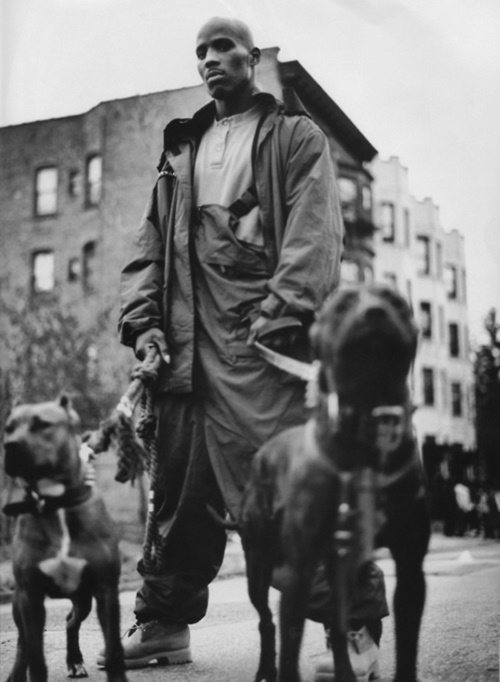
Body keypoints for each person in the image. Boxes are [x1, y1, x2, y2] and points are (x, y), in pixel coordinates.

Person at [106, 16, 388, 679]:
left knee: (290, 493)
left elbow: (315, 232)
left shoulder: (295, 136)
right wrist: (145, 327)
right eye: (200, 51)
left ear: (252, 57)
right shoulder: (179, 155)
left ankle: (354, 625)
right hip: (182, 356)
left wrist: (283, 314)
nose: (209, 58)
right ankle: (165, 623)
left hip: (260, 348)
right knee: (177, 498)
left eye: (223, 47)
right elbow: (148, 252)